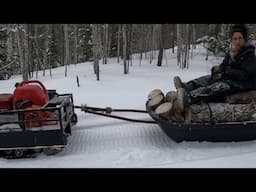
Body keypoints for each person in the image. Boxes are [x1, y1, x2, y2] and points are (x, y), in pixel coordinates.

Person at [173, 24, 256, 112]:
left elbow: (245, 75)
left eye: (240, 38)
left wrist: (227, 71)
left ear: (244, 40)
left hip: (244, 85)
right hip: (231, 79)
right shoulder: (232, 53)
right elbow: (224, 66)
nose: (237, 41)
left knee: (217, 87)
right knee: (208, 79)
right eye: (235, 39)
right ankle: (186, 87)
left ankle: (189, 98)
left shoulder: (249, 55)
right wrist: (218, 70)